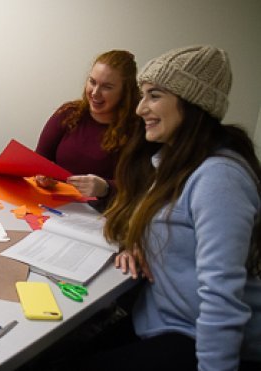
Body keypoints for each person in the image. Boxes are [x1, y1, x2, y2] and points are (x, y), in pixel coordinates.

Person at [86, 45, 261, 371]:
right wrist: (139, 242)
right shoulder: (172, 162)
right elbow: (161, 223)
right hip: (158, 319)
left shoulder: (218, 178)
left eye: (154, 95)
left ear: (192, 104)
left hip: (195, 337)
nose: (139, 108)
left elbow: (222, 301)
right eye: (142, 95)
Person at [34, 50, 138, 202]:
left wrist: (105, 188)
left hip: (102, 214)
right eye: (92, 82)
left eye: (107, 87)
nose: (95, 93)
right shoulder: (68, 113)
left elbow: (139, 187)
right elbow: (38, 160)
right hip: (54, 205)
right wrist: (41, 175)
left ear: (125, 92)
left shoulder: (136, 129)